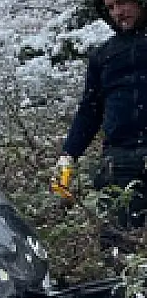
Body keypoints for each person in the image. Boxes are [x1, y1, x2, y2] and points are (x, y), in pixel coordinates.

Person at [60, 0, 147, 228]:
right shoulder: (104, 55)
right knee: (118, 241)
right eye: (110, 7)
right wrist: (68, 155)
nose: (118, 12)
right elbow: (90, 110)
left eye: (122, 3)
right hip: (119, 159)